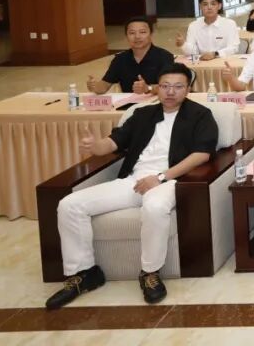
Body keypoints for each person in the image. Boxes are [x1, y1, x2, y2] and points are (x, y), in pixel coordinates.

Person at [46, 63, 217, 310]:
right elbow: (113, 143)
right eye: (165, 86)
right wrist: (95, 146)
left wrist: (160, 177)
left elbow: (202, 154)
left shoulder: (200, 115)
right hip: (133, 181)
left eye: (178, 87)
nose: (171, 92)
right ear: (157, 88)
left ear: (188, 89)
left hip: (170, 180)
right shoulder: (142, 114)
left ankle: (149, 272)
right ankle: (84, 273)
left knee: (154, 208)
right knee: (69, 205)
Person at [87, 17, 174, 95]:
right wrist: (95, 86)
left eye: (142, 32)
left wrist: (148, 88)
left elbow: (170, 87)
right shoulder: (120, 59)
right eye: (132, 33)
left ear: (151, 34)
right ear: (126, 36)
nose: (137, 36)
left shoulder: (165, 57)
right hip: (128, 106)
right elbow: (104, 86)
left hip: (157, 104)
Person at [175, 0, 240, 60]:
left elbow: (234, 48)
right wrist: (183, 44)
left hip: (223, 62)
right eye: (205, 4)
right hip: (202, 62)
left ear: (219, 6)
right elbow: (193, 52)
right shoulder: (193, 26)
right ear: (200, 7)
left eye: (213, 4)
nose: (209, 7)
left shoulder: (229, 24)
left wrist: (215, 54)